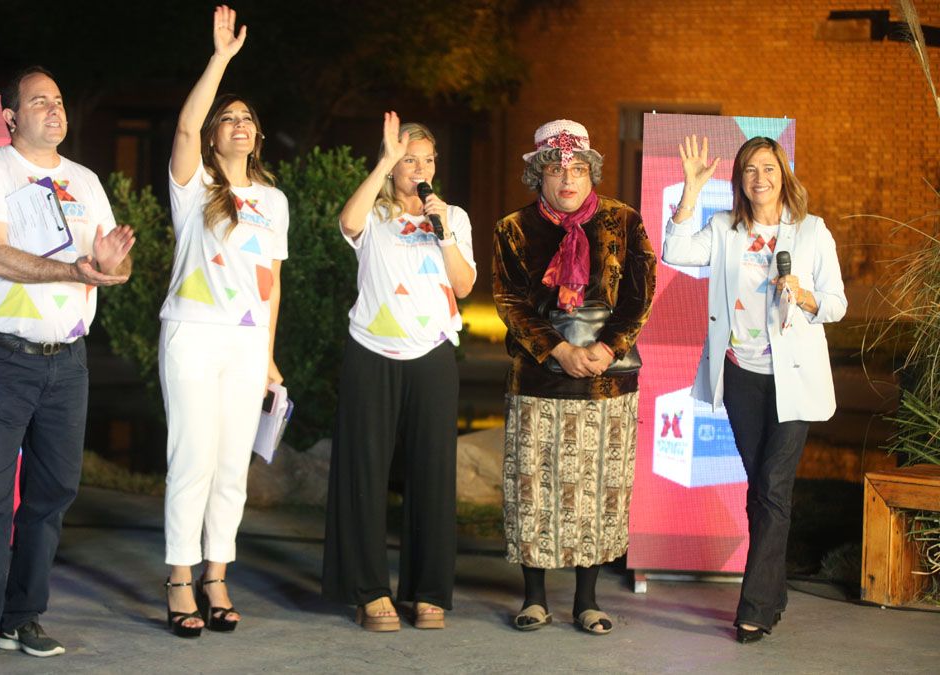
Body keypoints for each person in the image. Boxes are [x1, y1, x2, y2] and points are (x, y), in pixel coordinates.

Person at [0, 66, 135, 675]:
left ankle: (21, 618)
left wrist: (109, 267)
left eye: (59, 101)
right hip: (4, 358)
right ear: (9, 115)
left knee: (52, 496)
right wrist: (80, 271)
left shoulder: (84, 180)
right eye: (38, 102)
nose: (54, 111)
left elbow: (114, 265)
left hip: (68, 364)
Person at [664, 135, 846, 643]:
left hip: (795, 379)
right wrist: (691, 191)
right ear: (739, 181)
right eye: (748, 170)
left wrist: (807, 296)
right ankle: (775, 589)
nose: (758, 178)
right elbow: (674, 249)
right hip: (740, 374)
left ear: (783, 174)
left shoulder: (811, 232)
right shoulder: (725, 228)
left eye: (767, 168)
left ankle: (756, 608)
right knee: (762, 490)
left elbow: (837, 303)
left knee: (772, 486)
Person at [493, 120, 656, 636]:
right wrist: (558, 349)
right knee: (533, 487)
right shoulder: (512, 229)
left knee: (596, 491)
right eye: (557, 169)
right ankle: (534, 597)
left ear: (592, 173)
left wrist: (608, 349)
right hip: (539, 378)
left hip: (608, 380)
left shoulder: (623, 221)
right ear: (538, 174)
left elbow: (641, 293)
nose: (568, 179)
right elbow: (510, 302)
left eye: (578, 169)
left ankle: (587, 599)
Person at [159, 4, 289, 639]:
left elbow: (272, 282)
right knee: (193, 458)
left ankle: (216, 574)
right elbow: (183, 128)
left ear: (258, 138)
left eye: (247, 120)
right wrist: (220, 59)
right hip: (192, 331)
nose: (238, 125)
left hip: (244, 343)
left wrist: (267, 353)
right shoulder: (195, 186)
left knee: (233, 463)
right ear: (215, 137)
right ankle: (180, 579)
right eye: (227, 120)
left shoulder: (272, 200)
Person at [322, 112, 476, 632]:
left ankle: (427, 590)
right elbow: (347, 223)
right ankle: (369, 591)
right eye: (409, 158)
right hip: (373, 351)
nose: (420, 167)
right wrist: (383, 162)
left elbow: (463, 287)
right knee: (365, 471)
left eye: (428, 159)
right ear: (393, 164)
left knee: (432, 473)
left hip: (432, 354)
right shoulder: (377, 214)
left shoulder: (451, 215)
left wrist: (445, 233)